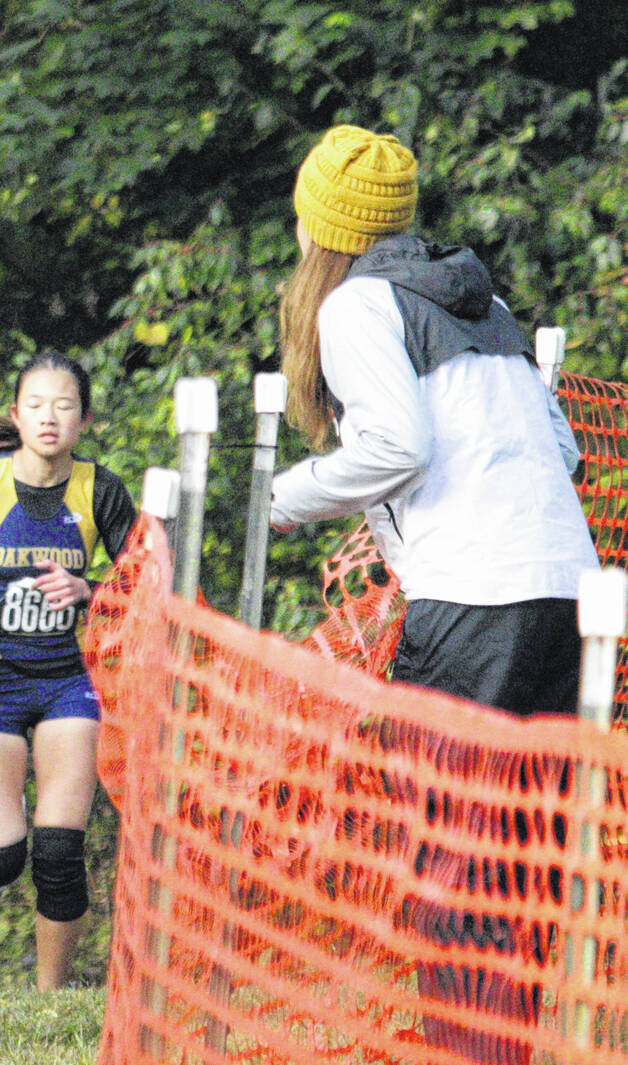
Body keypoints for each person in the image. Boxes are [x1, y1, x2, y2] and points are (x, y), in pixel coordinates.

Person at [268, 123, 599, 1063]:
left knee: (450, 854)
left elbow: (396, 447)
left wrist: (285, 499)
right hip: (565, 593)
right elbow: (567, 451)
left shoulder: (357, 306)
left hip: (473, 599)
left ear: (321, 225)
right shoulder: (480, 298)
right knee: (522, 857)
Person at [0, 351, 136, 991]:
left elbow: (149, 584)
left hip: (70, 681)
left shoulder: (101, 489)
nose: (50, 418)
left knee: (58, 850)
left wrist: (90, 588)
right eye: (37, 405)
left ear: (85, 419)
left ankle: (49, 995)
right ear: (16, 415)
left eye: (65, 406)